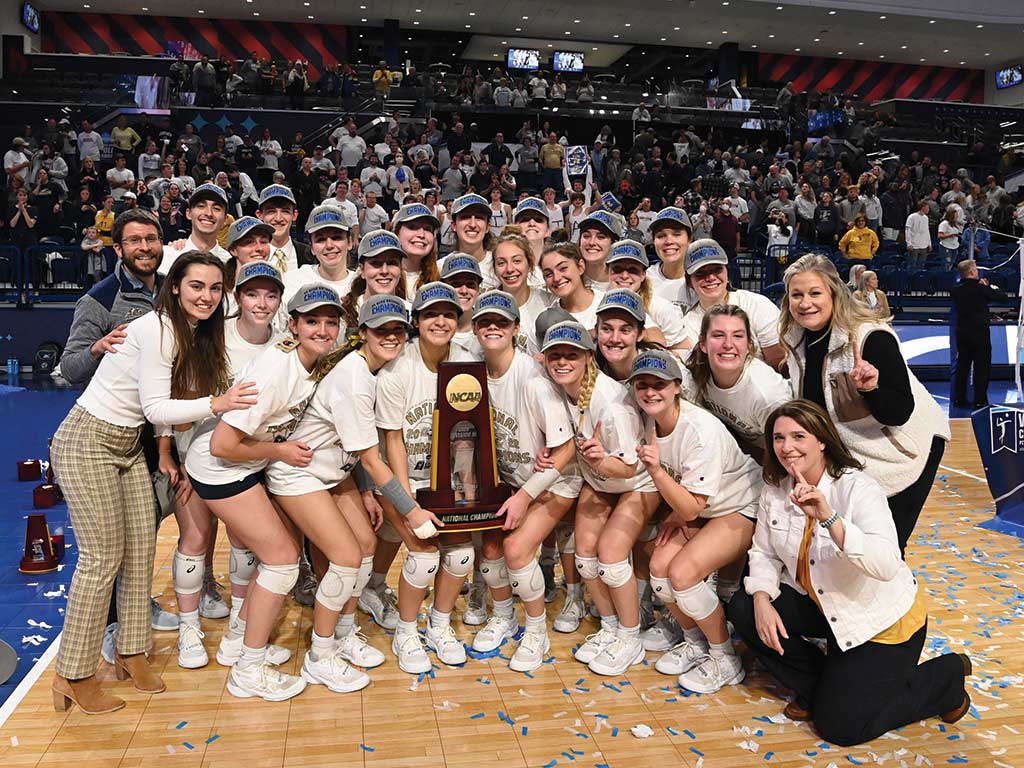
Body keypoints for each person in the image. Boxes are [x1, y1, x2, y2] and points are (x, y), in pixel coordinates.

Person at [50, 252, 251, 714]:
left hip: (125, 447)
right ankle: (72, 674)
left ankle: (131, 652)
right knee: (102, 558)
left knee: (140, 549)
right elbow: (159, 408)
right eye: (196, 286)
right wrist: (218, 404)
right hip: (87, 441)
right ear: (175, 287)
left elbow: (162, 404)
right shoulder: (158, 329)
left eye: (215, 288)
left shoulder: (193, 333)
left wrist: (163, 452)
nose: (206, 296)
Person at [728, 400, 972, 745]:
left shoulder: (859, 488)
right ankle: (829, 686)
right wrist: (763, 599)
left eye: (799, 436)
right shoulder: (776, 490)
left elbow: (887, 564)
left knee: (842, 727)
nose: (787, 447)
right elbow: (764, 553)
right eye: (779, 438)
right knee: (744, 607)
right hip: (826, 605)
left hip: (879, 622)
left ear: (822, 441)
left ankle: (945, 678)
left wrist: (829, 517)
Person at [779, 254, 949, 554]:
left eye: (815, 293)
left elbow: (898, 412)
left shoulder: (870, 338)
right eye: (797, 295)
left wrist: (872, 388)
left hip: (904, 452)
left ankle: (895, 596)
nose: (805, 303)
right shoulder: (796, 342)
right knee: (849, 543)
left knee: (885, 549)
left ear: (834, 294)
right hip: (857, 455)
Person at [628, 349, 760, 693]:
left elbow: (689, 506)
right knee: (659, 570)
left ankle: (724, 658)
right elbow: (687, 500)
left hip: (742, 505)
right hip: (705, 506)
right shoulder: (649, 420)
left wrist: (657, 472)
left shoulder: (699, 431)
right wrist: (678, 511)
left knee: (682, 576)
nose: (650, 391)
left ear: (676, 387)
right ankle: (695, 641)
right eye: (642, 384)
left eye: (659, 384)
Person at [468, 292, 579, 668]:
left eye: (502, 322)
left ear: (516, 328)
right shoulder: (474, 374)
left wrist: (525, 496)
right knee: (491, 551)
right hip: (514, 478)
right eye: (486, 322)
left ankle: (537, 632)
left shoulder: (533, 378)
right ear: (475, 329)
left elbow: (566, 451)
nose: (493, 328)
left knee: (515, 551)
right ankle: (504, 616)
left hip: (557, 481)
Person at [375, 283, 476, 672]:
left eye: (448, 314)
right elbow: (393, 440)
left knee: (463, 553)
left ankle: (439, 621)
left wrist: (466, 488)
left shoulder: (466, 361)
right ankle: (405, 630)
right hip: (399, 478)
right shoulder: (397, 369)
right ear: (416, 321)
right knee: (423, 555)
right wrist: (407, 502)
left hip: (450, 478)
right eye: (431, 314)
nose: (440, 321)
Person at [684, 304, 791, 461]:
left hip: (772, 457)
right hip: (737, 447)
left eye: (738, 336)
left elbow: (787, 454)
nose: (728, 344)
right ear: (703, 345)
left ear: (749, 346)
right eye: (718, 335)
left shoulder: (767, 396)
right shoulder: (696, 369)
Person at [678, 239, 784, 369]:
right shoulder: (687, 324)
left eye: (717, 270)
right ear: (689, 282)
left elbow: (779, 363)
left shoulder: (757, 304)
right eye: (700, 273)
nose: (710, 278)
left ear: (727, 273)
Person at [604, 239, 687, 353]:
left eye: (633, 270)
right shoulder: (597, 301)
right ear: (608, 271)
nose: (624, 276)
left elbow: (685, 349)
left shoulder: (662, 308)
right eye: (617, 269)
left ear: (643, 275)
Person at [951, 259, 1006, 408]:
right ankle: (980, 400)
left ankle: (959, 399)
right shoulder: (981, 289)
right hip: (979, 334)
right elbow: (1002, 297)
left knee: (962, 366)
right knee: (982, 367)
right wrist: (989, 287)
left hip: (962, 333)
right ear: (972, 272)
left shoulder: (956, 290)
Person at [160, 184, 231, 275]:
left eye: (216, 208)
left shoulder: (229, 264)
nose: (209, 213)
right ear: (189, 214)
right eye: (201, 206)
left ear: (225, 219)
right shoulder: (167, 256)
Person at [256, 184, 316, 274]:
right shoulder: (251, 256)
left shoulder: (310, 255)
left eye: (285, 211)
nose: (278, 218)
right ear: (259, 215)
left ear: (294, 215)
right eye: (271, 211)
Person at [647, 207, 695, 310]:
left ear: (690, 238)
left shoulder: (703, 280)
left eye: (676, 234)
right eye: (661, 236)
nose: (669, 241)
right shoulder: (644, 280)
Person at [393, 202, 441, 295]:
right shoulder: (375, 275)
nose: (421, 235)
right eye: (412, 227)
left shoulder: (442, 275)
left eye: (427, 229)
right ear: (397, 233)